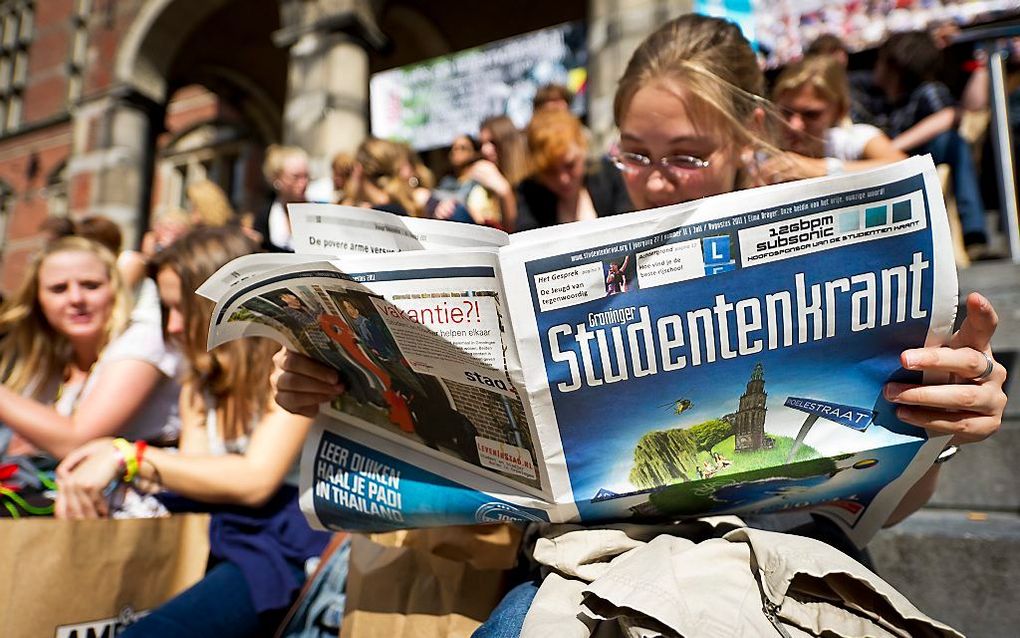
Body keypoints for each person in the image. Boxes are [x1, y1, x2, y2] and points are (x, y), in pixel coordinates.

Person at [273, 14, 1008, 632]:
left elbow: (890, 503)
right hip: (588, 569)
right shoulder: (587, 263)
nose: (656, 180)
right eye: (635, 153)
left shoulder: (832, 252)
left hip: (777, 561)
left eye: (687, 156)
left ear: (749, 129)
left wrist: (940, 424)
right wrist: (332, 382)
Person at [55, 226, 330, 637]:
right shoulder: (200, 383)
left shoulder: (292, 368)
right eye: (167, 310)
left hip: (281, 546)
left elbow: (256, 480)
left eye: (183, 308)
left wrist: (126, 456)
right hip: (216, 535)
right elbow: (199, 474)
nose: (175, 326)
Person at [0, 237, 180, 460]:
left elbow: (77, 441)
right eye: (58, 289)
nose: (76, 298)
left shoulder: (143, 339)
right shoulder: (50, 360)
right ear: (38, 300)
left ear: (114, 289)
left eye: (91, 286)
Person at [858, 31, 990, 251]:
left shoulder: (926, 92)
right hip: (882, 171)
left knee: (953, 141)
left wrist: (892, 147)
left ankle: (974, 232)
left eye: (880, 60)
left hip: (919, 161)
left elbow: (950, 115)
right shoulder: (873, 98)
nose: (875, 66)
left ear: (894, 65)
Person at [765, 54, 907, 182]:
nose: (794, 125)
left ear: (839, 111)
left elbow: (904, 167)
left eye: (811, 115)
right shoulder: (762, 152)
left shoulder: (850, 140)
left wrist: (824, 169)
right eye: (786, 112)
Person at [515, 109, 632, 230]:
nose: (563, 179)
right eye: (550, 172)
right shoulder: (530, 194)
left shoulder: (609, 176)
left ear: (583, 148)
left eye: (570, 165)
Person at [439, 134, 517, 229]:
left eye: (462, 148)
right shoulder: (447, 182)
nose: (456, 152)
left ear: (473, 152)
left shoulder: (482, 174)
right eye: (453, 148)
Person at [258, 144, 310, 252]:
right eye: (295, 177)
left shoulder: (319, 213)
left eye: (306, 176)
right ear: (277, 178)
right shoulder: (264, 217)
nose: (303, 183)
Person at [479, 115, 531, 187]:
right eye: (481, 144)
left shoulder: (532, 180)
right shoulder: (483, 182)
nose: (484, 150)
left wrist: (505, 192)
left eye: (493, 142)